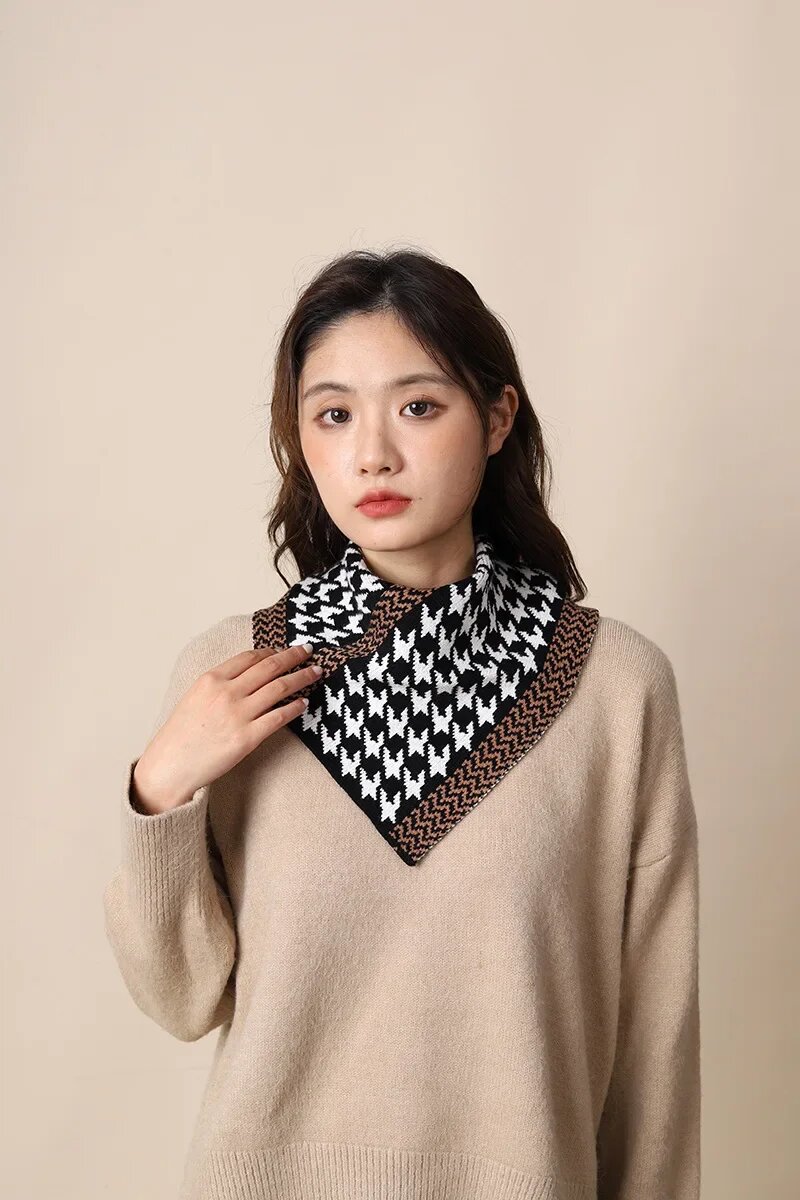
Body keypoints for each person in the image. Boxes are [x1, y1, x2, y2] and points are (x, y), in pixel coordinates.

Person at [103, 248, 701, 1200]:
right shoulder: (232, 677)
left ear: (496, 418)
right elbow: (179, 1000)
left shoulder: (616, 688)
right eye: (333, 415)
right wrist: (160, 788)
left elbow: (654, 1039)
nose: (372, 454)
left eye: (418, 407)